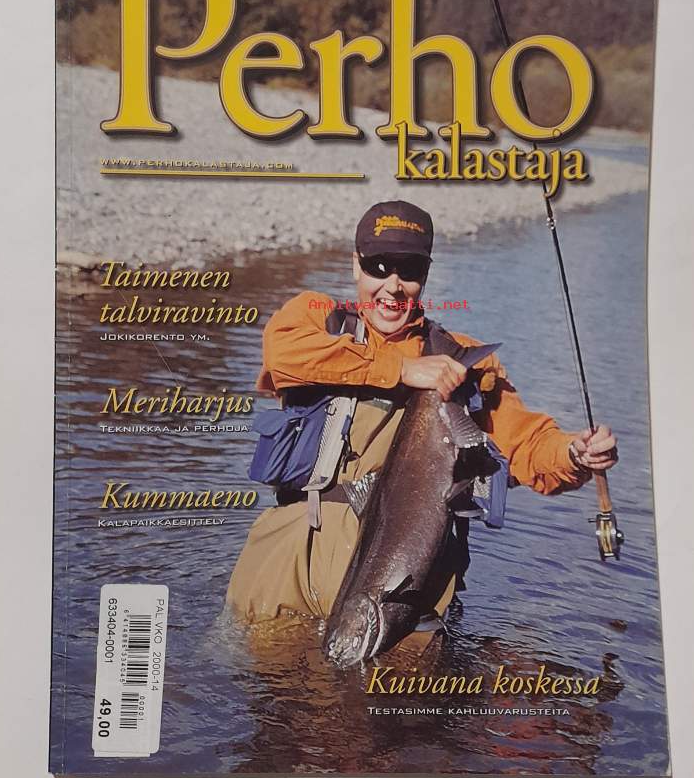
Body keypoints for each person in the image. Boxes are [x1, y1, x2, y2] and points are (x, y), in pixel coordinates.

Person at [226, 200, 618, 630]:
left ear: (425, 275)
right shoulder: (317, 319)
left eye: (409, 270)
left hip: (404, 592)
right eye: (378, 266)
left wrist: (575, 453)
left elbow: (526, 449)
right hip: (286, 570)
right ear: (356, 265)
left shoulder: (461, 361)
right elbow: (282, 354)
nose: (392, 286)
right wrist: (401, 369)